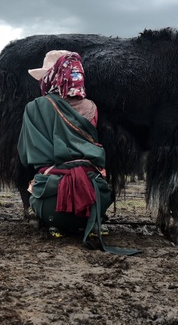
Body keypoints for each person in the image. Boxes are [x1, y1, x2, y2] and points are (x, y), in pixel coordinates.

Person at [18, 50, 138, 255]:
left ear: (50, 77)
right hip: (94, 201)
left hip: (49, 203)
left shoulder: (34, 107)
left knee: (36, 191)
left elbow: (24, 154)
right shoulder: (92, 107)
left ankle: (54, 223)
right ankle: (91, 222)